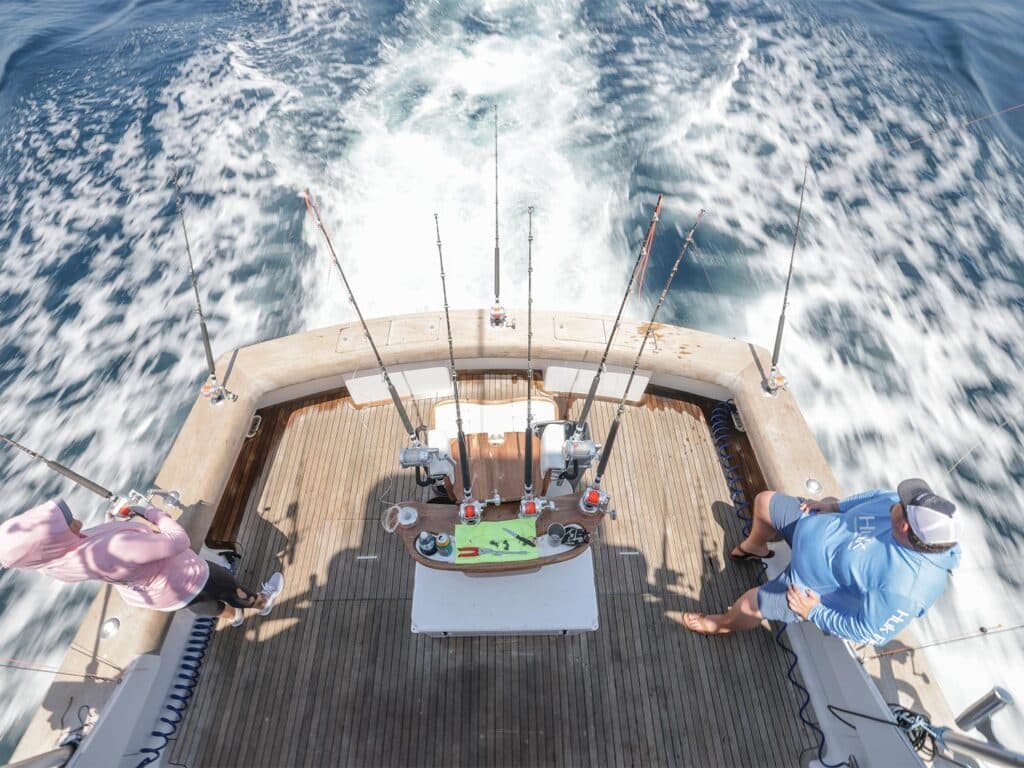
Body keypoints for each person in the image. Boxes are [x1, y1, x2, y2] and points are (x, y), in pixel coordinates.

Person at [682, 478, 960, 644]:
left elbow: (870, 633)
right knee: (765, 502)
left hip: (806, 588)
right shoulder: (898, 508)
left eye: (900, 505)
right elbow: (877, 495)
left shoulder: (905, 590)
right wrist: (834, 507)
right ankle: (755, 546)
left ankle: (722, 624)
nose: (894, 502)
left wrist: (814, 612)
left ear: (904, 528)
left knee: (748, 604)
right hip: (813, 526)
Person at [0, 497, 284, 627]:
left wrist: (117, 521)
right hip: (188, 577)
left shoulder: (56, 564)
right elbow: (178, 541)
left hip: (162, 597)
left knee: (207, 607)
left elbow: (96, 545)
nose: (69, 516)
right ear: (54, 540)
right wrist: (149, 511)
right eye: (62, 523)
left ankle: (234, 618)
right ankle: (261, 604)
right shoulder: (116, 547)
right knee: (231, 588)